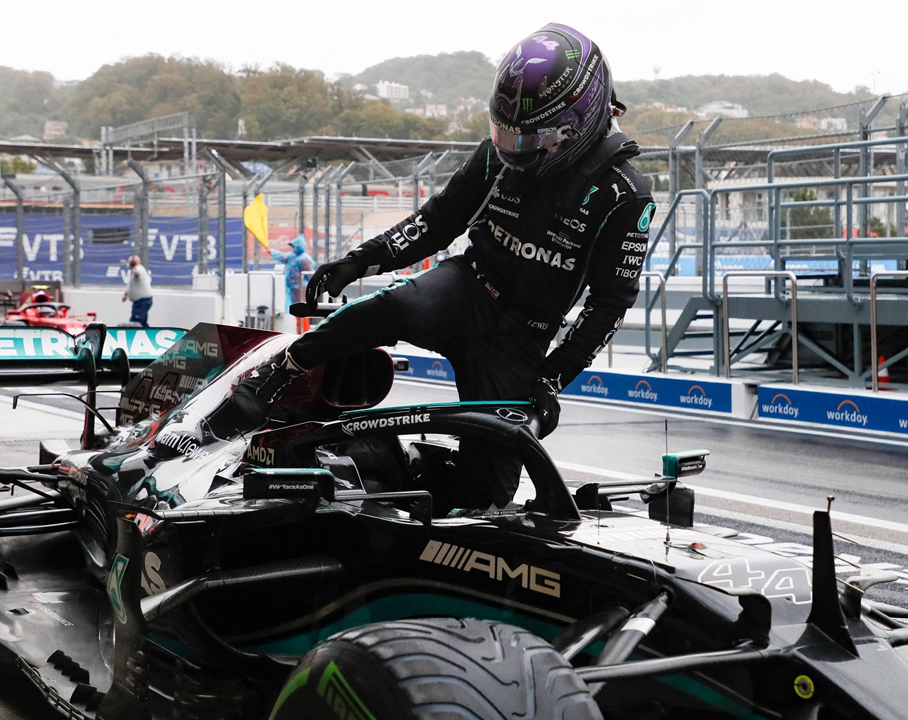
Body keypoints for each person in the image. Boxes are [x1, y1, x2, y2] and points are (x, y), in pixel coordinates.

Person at [217, 23, 654, 509]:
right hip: (468, 287)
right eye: (504, 133)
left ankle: (434, 486)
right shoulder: (498, 156)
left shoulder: (625, 194)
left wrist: (553, 378)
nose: (511, 149)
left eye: (529, 139)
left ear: (577, 124)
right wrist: (358, 263)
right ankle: (275, 375)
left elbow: (611, 302)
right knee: (392, 305)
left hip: (522, 338)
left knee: (487, 492)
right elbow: (440, 220)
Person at [271, 234, 316, 306]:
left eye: (293, 247)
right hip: (293, 287)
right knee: (296, 306)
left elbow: (310, 275)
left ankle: (304, 317)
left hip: (301, 287)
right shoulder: (292, 256)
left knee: (301, 306)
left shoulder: (304, 258)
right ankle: (300, 317)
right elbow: (282, 257)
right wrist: (271, 251)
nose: (292, 249)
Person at [122, 255, 153, 327]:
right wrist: (126, 294)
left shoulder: (139, 269)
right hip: (139, 302)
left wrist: (135, 271)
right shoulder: (133, 271)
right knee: (142, 322)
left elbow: (138, 274)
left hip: (142, 301)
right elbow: (131, 285)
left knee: (137, 322)